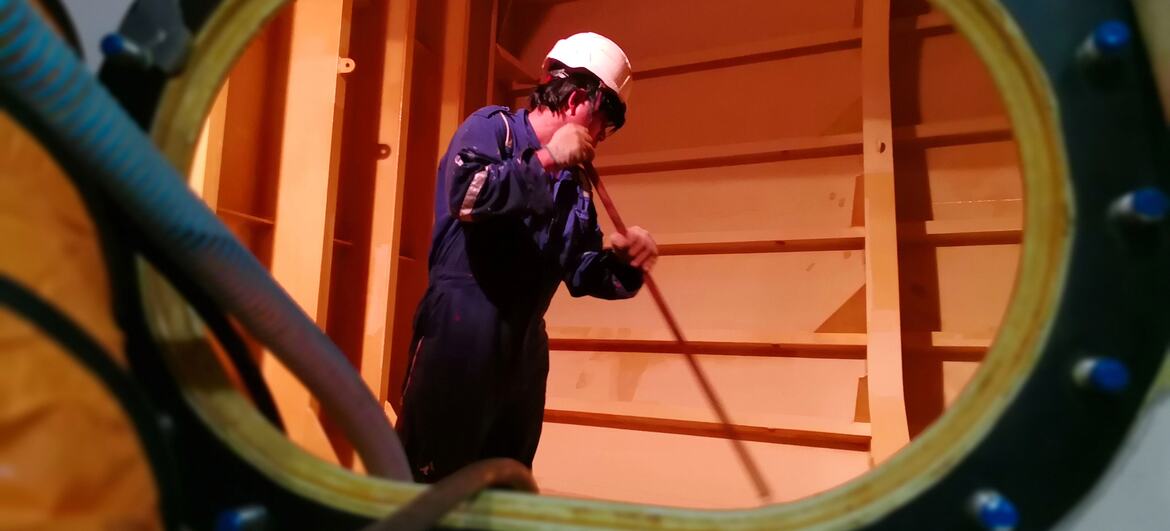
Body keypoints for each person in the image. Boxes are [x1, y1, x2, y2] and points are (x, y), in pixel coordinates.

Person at [395, 32, 658, 482]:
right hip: (461, 330)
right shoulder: (491, 128)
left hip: (524, 350)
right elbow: (469, 196)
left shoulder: (573, 184)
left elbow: (582, 270)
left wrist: (628, 264)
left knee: (504, 483)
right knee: (427, 484)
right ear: (577, 99)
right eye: (604, 121)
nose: (601, 137)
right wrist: (546, 161)